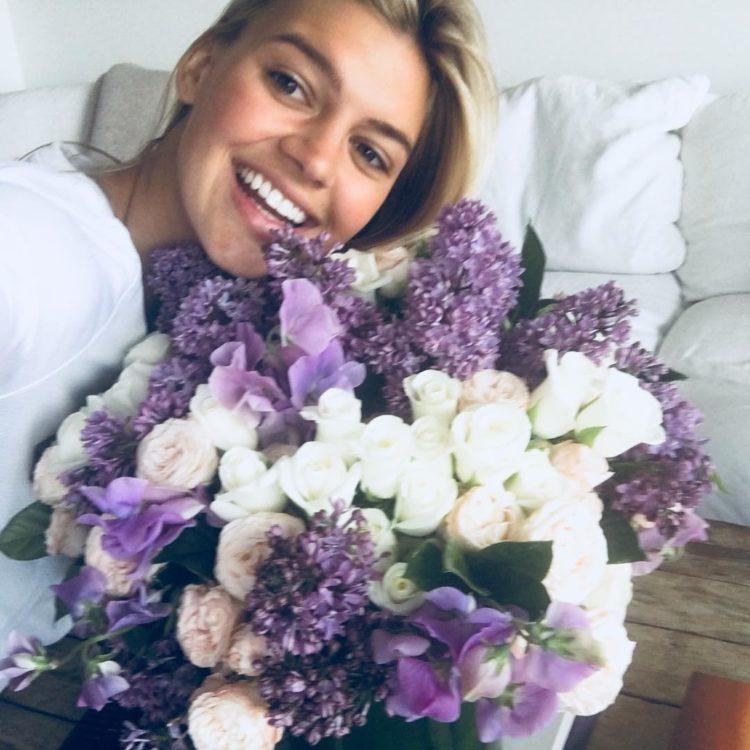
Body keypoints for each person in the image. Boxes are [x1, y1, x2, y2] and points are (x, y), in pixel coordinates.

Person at [0, 0, 497, 662]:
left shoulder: (240, 345)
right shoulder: (29, 252)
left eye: (369, 152)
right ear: (201, 65)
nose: (316, 159)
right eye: (291, 84)